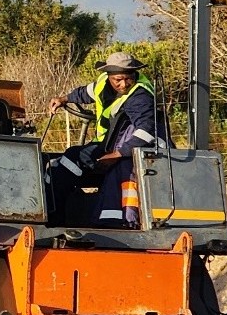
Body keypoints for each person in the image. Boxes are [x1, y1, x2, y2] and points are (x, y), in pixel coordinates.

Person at [46, 51, 163, 227]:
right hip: (105, 143)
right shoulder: (102, 83)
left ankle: (55, 220)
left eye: (128, 78)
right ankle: (59, 213)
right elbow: (85, 93)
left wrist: (117, 154)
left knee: (68, 163)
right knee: (65, 160)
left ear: (134, 74)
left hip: (120, 150)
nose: (124, 84)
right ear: (108, 76)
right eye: (118, 80)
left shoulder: (140, 96)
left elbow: (147, 132)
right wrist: (63, 99)